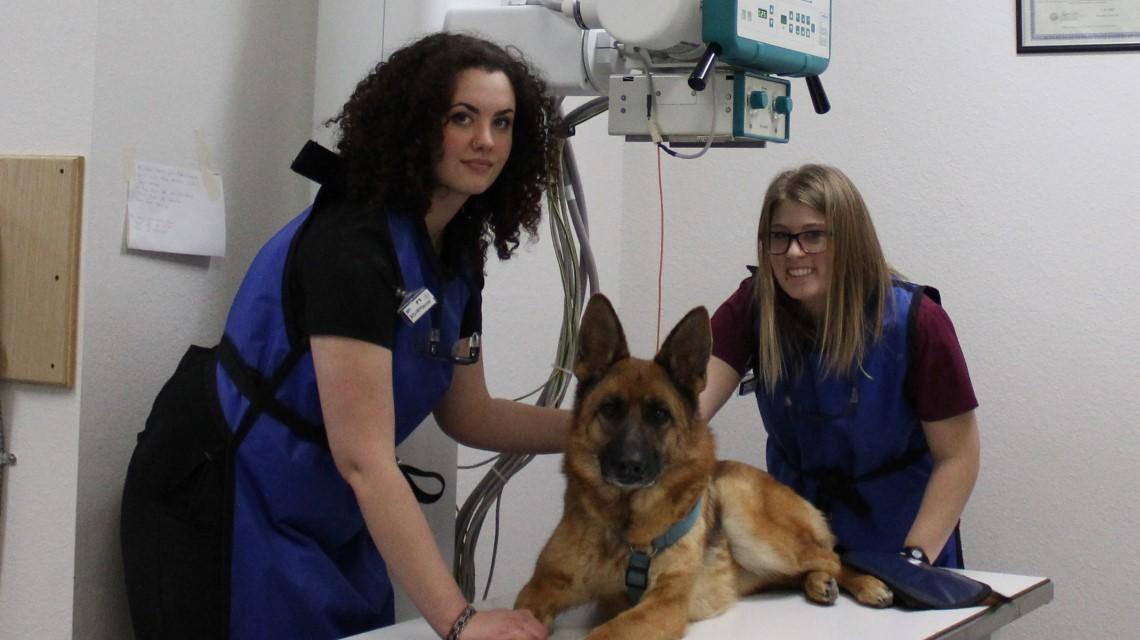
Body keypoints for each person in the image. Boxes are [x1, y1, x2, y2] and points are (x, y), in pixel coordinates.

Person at [121, 32, 566, 640]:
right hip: (230, 495)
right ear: (416, 124)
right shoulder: (353, 243)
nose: (486, 140)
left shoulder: (456, 253)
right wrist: (461, 621)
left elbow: (471, 415)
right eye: (462, 117)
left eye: (502, 122)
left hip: (329, 511)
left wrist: (602, 431)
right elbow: (363, 458)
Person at [698, 164, 980, 569]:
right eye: (780, 237)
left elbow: (959, 456)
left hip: (901, 540)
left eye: (813, 235)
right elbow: (685, 410)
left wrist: (914, 561)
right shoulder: (753, 307)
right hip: (797, 545)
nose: (794, 252)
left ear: (849, 239)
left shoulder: (916, 322)